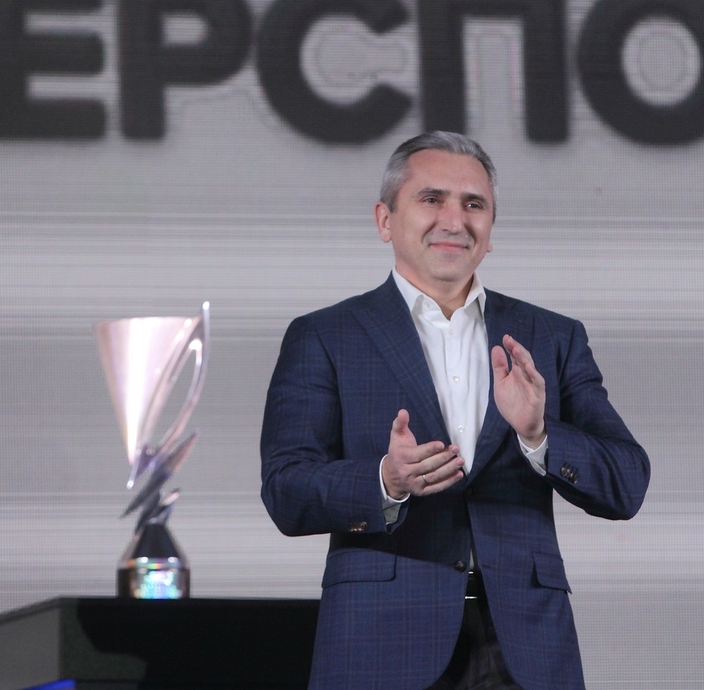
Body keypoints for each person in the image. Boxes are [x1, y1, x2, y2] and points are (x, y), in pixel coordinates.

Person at [260, 131, 650, 690]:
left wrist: (540, 436)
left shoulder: (552, 337)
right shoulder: (325, 336)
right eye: (431, 199)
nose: (454, 220)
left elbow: (627, 483)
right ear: (385, 220)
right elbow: (286, 490)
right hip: (380, 641)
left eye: (473, 204)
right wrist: (385, 481)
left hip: (525, 645)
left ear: (491, 230)